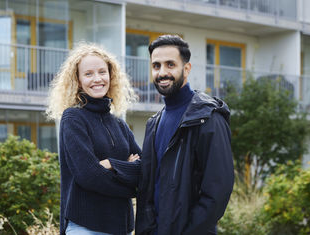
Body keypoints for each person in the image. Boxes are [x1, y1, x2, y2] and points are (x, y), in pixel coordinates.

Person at [136, 35, 234, 235]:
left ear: (186, 69)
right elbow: (147, 188)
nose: (162, 72)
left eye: (170, 64)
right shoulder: (154, 123)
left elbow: (218, 190)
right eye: (156, 66)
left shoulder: (208, 117)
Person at [46, 42, 141, 235]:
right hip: (86, 227)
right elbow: (88, 176)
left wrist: (110, 164)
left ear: (110, 75)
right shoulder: (73, 118)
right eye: (88, 74)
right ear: (78, 80)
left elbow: (144, 169)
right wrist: (129, 182)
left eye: (102, 72)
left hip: (121, 227)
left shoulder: (120, 124)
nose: (97, 79)